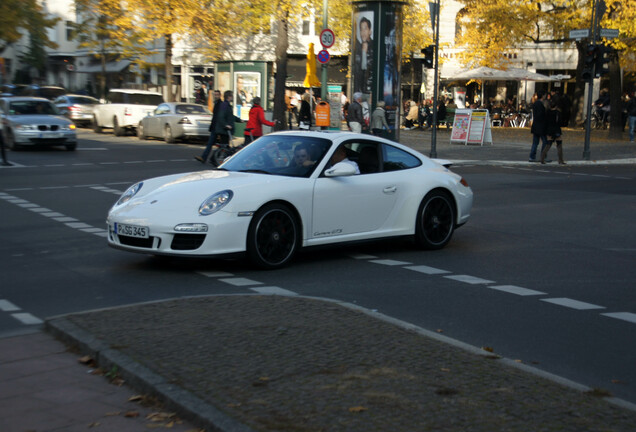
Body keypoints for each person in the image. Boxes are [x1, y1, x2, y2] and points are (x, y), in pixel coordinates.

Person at [195, 89, 222, 163]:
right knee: (214, 144)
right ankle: (210, 158)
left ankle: (207, 158)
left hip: (216, 127)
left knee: (215, 144)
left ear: (220, 95)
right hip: (215, 127)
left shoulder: (220, 104)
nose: (215, 96)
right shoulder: (217, 103)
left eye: (217, 95)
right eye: (215, 95)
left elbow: (218, 117)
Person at [540, 99, 566, 165]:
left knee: (548, 145)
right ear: (556, 106)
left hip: (549, 130)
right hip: (556, 130)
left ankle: (542, 158)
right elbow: (560, 122)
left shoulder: (547, 112)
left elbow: (545, 122)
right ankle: (560, 160)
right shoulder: (557, 113)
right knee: (559, 145)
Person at [353, 16, 374, 95]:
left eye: (365, 29)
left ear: (370, 31)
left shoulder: (373, 47)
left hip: (369, 89)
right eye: (361, 29)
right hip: (360, 90)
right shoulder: (358, 47)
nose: (363, 32)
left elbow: (367, 68)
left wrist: (364, 53)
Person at [529, 91, 549, 162]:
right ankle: (543, 156)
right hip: (541, 126)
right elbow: (541, 115)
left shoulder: (535, 104)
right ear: (543, 96)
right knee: (545, 141)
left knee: (535, 142)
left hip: (535, 125)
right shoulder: (541, 105)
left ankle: (532, 156)